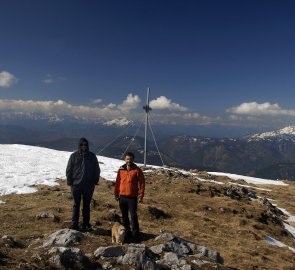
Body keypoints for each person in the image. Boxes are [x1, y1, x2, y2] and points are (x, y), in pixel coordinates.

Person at [66, 138, 100, 231]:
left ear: (87, 145)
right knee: (76, 205)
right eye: (82, 145)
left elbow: (96, 169)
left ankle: (86, 224)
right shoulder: (74, 156)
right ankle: (74, 224)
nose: (84, 146)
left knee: (86, 205)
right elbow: (69, 169)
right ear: (79, 145)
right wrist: (69, 181)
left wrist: (95, 180)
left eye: (85, 145)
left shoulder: (92, 156)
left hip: (88, 185)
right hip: (76, 185)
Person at [115, 152, 145, 242]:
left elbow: (142, 183)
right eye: (127, 159)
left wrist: (141, 195)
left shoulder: (137, 170)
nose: (129, 161)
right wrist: (116, 194)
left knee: (133, 216)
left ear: (133, 159)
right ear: (125, 159)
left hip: (132, 197)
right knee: (124, 216)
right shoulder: (121, 170)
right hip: (122, 197)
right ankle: (126, 233)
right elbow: (117, 182)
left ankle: (135, 235)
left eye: (131, 159)